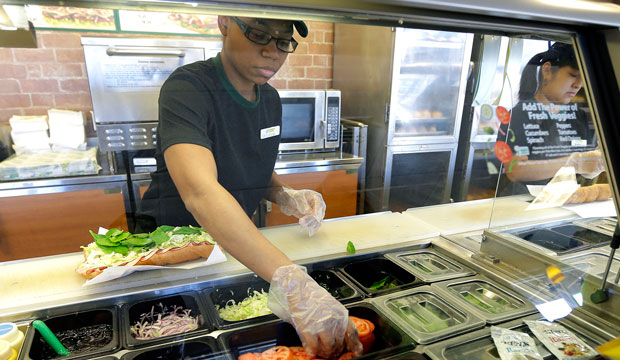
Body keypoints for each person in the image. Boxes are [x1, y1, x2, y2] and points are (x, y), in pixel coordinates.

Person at [137, 16, 362, 358]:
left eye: (283, 42)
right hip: (173, 249)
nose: (272, 52)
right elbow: (200, 192)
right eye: (258, 34)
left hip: (231, 246)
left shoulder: (269, 99)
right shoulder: (189, 88)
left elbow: (252, 165)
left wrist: (284, 194)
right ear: (225, 22)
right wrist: (294, 283)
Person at [497, 42, 608, 200]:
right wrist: (576, 162)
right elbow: (515, 170)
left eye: (583, 78)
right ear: (547, 70)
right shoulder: (520, 114)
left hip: (565, 203)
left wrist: (595, 164)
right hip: (522, 203)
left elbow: (585, 164)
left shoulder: (577, 116)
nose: (578, 84)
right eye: (573, 75)